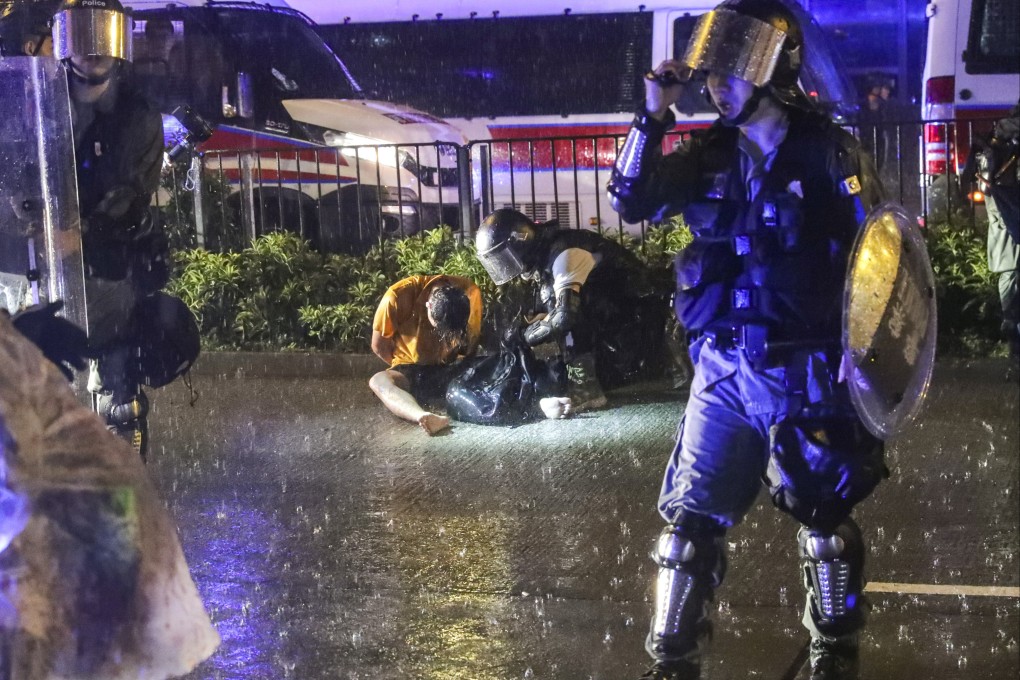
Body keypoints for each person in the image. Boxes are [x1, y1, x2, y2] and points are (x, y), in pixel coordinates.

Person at [606, 1, 887, 679]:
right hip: (724, 371)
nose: (715, 84)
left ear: (773, 65)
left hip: (806, 369)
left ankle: (833, 652)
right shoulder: (709, 155)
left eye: (731, 69)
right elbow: (629, 198)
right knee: (685, 537)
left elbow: (881, 254)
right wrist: (653, 113)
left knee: (824, 529)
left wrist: (869, 361)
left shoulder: (827, 151)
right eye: (713, 71)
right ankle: (672, 661)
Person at [46, 0, 199, 460]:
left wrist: (85, 232)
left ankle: (125, 493)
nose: (93, 47)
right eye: (82, 32)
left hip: (109, 263)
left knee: (117, 392)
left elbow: (130, 191)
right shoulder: (41, 100)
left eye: (102, 32)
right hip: (41, 259)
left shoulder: (137, 112)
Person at [474, 208, 671, 411]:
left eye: (505, 256)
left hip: (636, 319)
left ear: (519, 241)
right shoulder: (548, 252)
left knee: (565, 311)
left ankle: (585, 387)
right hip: (620, 317)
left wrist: (526, 336)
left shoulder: (563, 255)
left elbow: (563, 317)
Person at [369, 275, 484, 435]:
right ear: (428, 306)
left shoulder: (470, 292)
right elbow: (379, 346)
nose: (442, 334)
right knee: (378, 381)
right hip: (411, 369)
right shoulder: (396, 296)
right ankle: (422, 416)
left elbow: (471, 344)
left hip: (450, 367)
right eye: (440, 328)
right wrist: (405, 373)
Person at [973, 102, 1019, 356]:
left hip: (1003, 213)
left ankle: (1010, 326)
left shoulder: (998, 136)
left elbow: (985, 188)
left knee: (1009, 273)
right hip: (1009, 210)